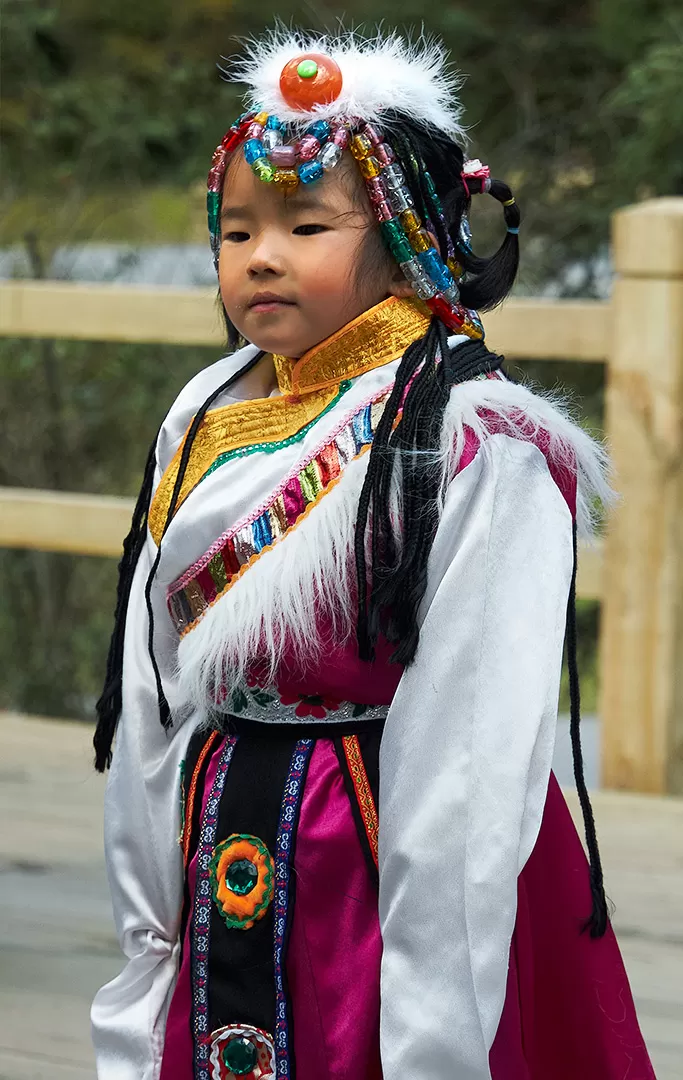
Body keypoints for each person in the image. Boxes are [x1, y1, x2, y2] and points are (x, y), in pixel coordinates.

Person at [91, 25, 655, 1080]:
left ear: (403, 235)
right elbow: (149, 690)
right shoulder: (202, 412)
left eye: (305, 223)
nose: (259, 256)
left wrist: (432, 1025)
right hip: (222, 838)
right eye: (235, 230)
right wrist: (140, 948)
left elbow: (470, 756)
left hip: (390, 843)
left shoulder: (477, 436)